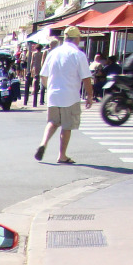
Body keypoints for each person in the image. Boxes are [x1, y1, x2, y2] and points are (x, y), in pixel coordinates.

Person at [34, 26, 93, 165]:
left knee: (52, 122)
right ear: (76, 39)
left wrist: (49, 88)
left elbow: (43, 75)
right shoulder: (78, 54)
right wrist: (90, 95)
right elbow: (86, 78)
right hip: (70, 95)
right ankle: (62, 155)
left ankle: (43, 143)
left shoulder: (53, 53)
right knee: (67, 126)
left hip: (53, 94)